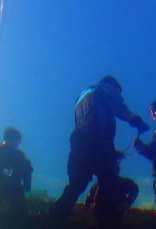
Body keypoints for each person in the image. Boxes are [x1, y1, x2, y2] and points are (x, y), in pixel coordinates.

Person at [49, 76, 149, 220]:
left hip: (79, 141)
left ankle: (55, 215)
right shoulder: (104, 91)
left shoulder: (83, 96)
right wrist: (137, 122)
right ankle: (107, 222)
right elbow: (120, 109)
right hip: (100, 144)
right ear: (112, 86)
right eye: (118, 91)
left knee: (77, 183)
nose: (118, 95)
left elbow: (89, 120)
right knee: (109, 181)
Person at [0, 127, 33, 215]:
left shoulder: (18, 155)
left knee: (18, 211)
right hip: (1, 188)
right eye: (18, 140)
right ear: (14, 139)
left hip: (12, 190)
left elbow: (27, 171)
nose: (19, 142)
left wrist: (27, 190)